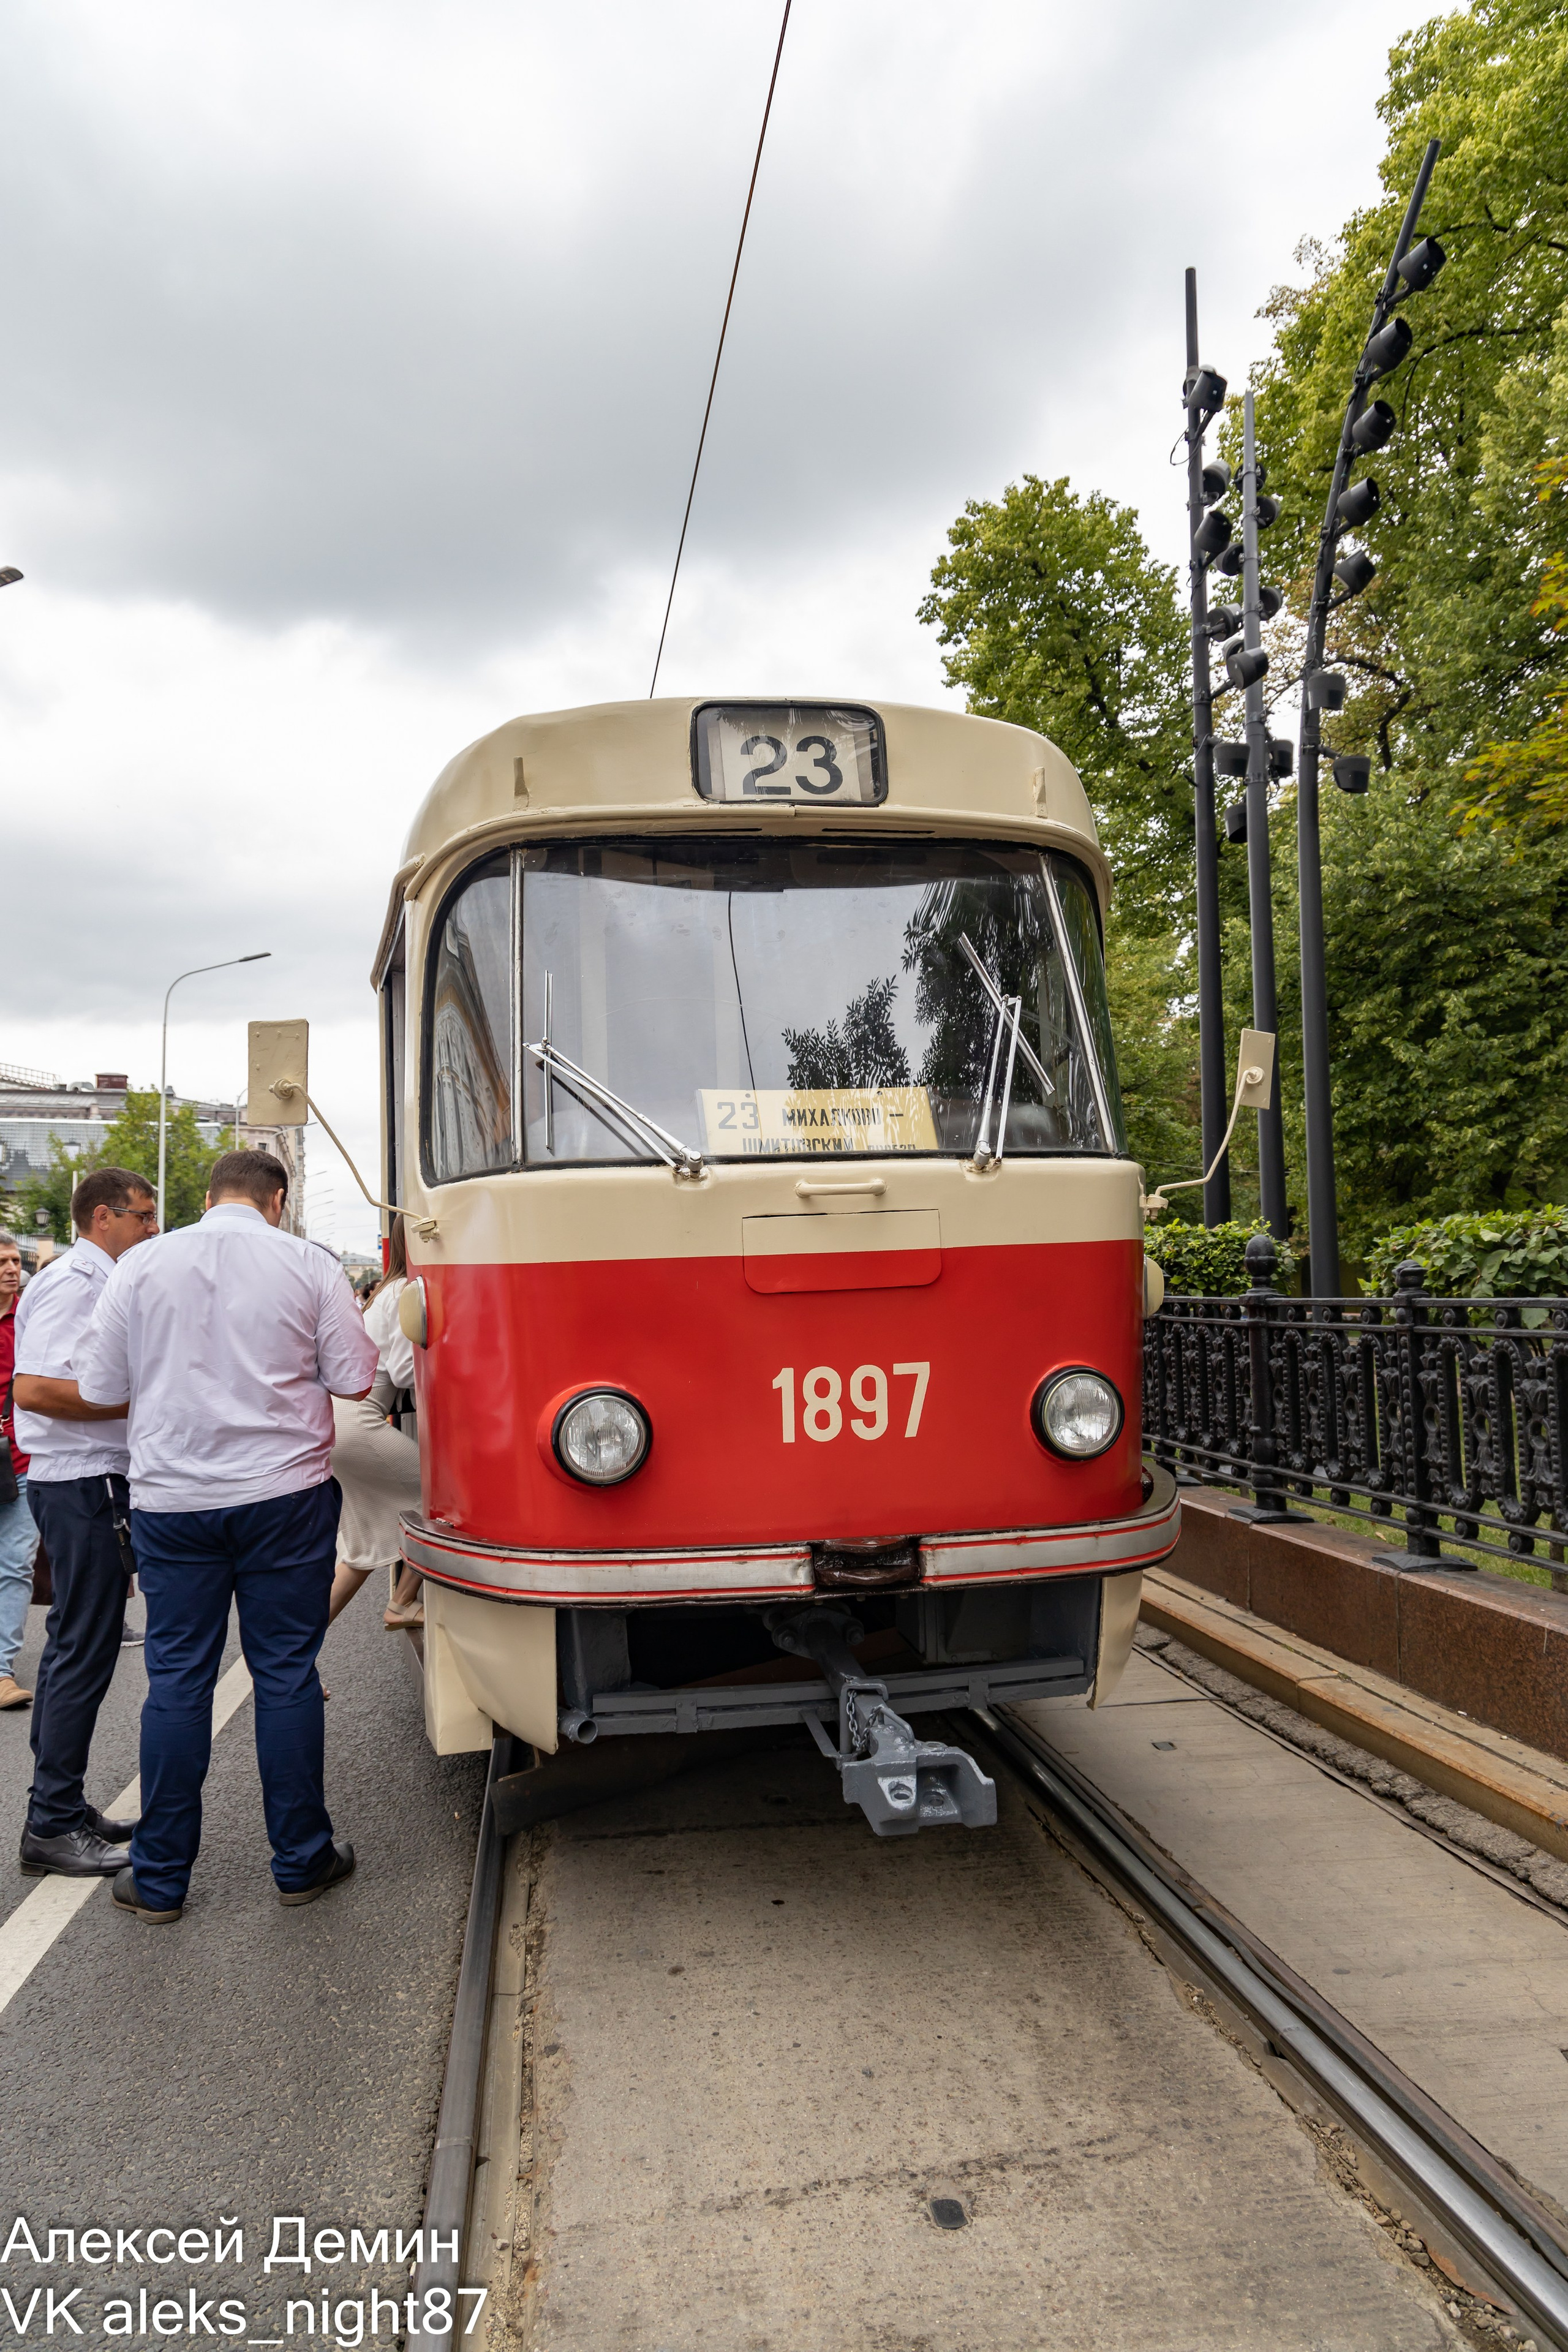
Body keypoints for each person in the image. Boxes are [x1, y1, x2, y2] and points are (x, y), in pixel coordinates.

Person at [74, 1148, 379, 1924]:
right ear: (278, 1202)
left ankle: (160, 1880)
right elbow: (354, 1378)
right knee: (286, 1673)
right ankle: (302, 1862)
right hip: (284, 1497)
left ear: (207, 1199)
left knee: (178, 1681)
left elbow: (100, 1386)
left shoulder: (141, 1266)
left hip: (173, 1502)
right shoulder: (309, 1264)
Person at [10, 1170, 159, 1874]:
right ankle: (50, 1822)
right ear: (104, 1217)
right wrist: (143, 1398)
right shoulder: (76, 1283)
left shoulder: (95, 1279)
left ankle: (60, 1806)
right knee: (84, 1650)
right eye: (144, 1216)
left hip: (84, 1479)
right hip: (82, 1480)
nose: (153, 1229)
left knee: (77, 1644)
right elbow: (35, 1389)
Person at [326, 1216, 424, 1630]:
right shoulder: (405, 1291)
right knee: (447, 1503)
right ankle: (402, 1602)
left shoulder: (384, 1290)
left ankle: (287, 1658)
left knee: (360, 1552)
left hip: (337, 1426)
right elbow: (404, 1371)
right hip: (360, 1427)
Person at [0, 1230, 40, 1711]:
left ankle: (1, 1670)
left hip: (21, 1459)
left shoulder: (30, 1315)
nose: (13, 1269)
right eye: (2, 1263)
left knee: (15, 1563)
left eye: (15, 1260)